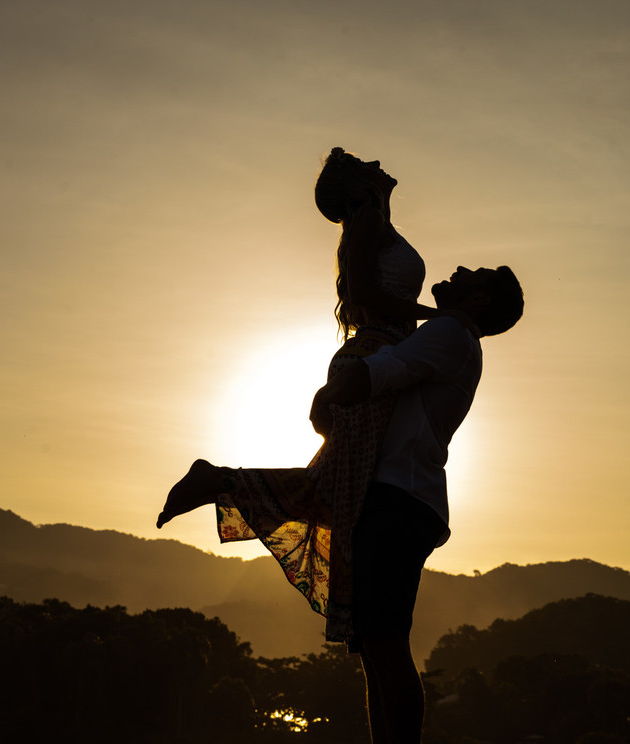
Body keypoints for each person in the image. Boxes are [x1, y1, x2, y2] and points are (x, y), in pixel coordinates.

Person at [156, 148, 442, 645]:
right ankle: (220, 480)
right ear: (357, 185)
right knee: (340, 490)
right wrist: (435, 319)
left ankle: (223, 482)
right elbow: (362, 292)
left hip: (379, 359)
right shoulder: (371, 219)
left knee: (344, 488)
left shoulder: (375, 222)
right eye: (363, 162)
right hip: (375, 357)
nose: (377, 162)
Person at [309, 263, 524, 744]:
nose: (456, 269)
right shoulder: (451, 336)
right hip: (398, 500)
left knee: (385, 646)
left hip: (398, 501)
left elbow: (383, 372)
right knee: (376, 651)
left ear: (476, 300)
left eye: (473, 273)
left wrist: (329, 393)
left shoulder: (451, 333)